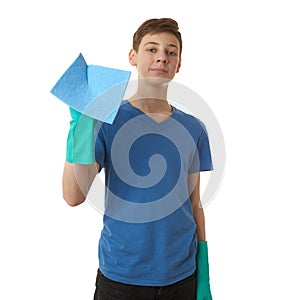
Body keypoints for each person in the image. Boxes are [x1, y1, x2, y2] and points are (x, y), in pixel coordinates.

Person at [62, 18, 213, 300]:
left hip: (182, 276)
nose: (161, 57)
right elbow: (73, 195)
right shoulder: (107, 120)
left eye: (171, 52)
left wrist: (203, 270)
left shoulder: (194, 128)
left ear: (179, 63)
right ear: (132, 56)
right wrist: (81, 128)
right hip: (122, 276)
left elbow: (194, 203)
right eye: (151, 49)